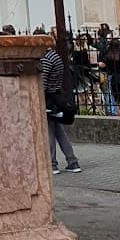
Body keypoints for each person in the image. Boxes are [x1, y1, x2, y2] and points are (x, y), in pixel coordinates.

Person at [40, 39, 81, 174]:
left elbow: (43, 82)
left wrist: (39, 96)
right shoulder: (56, 57)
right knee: (59, 132)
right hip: (57, 96)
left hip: (49, 98)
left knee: (50, 131)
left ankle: (52, 164)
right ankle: (72, 161)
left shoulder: (46, 59)